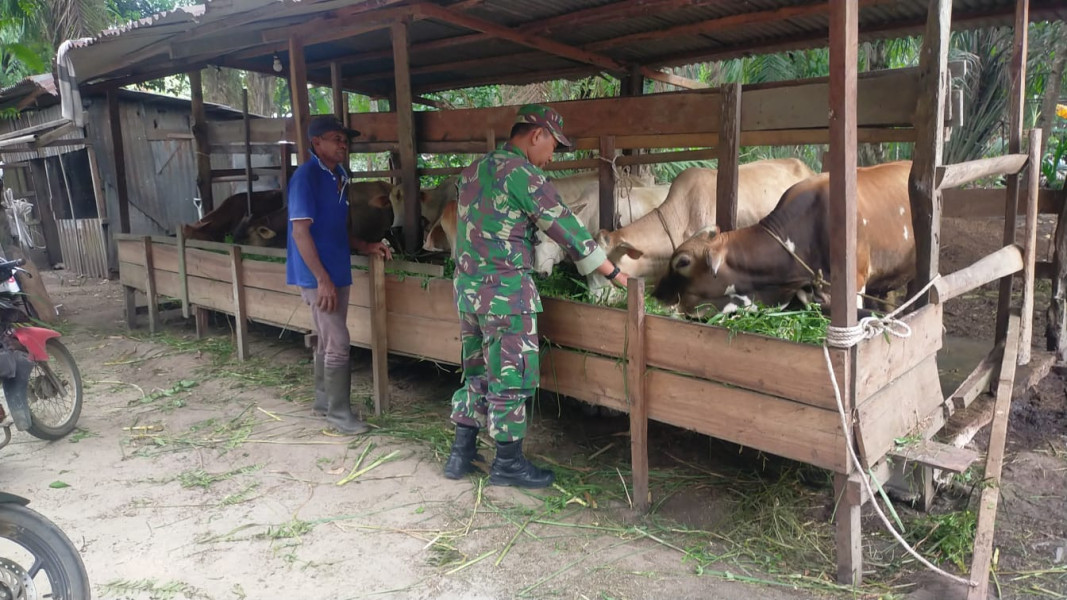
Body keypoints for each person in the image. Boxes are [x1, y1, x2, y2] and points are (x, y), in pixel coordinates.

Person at [443, 104, 629, 488]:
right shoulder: (523, 175)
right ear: (536, 134)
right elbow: (565, 227)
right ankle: (508, 464)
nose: (552, 156)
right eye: (553, 146)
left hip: (468, 292)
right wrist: (612, 271)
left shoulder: (473, 171)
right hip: (506, 295)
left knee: (476, 371)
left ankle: (461, 455)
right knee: (511, 377)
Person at [287, 115, 392, 435]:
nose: (343, 143)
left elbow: (339, 229)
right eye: (335, 138)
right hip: (317, 274)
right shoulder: (306, 177)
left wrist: (365, 245)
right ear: (316, 143)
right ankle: (339, 412)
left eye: (345, 138)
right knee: (339, 340)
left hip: (336, 268)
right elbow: (300, 232)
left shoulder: (341, 175)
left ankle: (324, 403)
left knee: (327, 338)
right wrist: (322, 279)